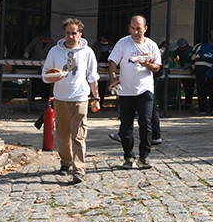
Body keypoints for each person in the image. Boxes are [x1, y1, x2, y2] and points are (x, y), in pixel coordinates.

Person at [42, 18, 100, 184]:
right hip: (60, 98)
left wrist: (96, 98)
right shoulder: (55, 51)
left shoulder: (87, 51)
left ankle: (79, 169)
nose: (71, 36)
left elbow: (92, 77)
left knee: (79, 135)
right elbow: (46, 75)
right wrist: (53, 77)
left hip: (80, 98)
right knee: (63, 135)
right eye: (68, 33)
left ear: (80, 34)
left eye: (74, 33)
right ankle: (65, 162)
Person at [109, 15, 162, 169]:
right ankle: (128, 156)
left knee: (146, 121)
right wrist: (113, 78)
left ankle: (144, 156)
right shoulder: (123, 43)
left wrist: (147, 64)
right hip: (126, 89)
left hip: (145, 88)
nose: (135, 32)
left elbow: (157, 67)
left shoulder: (151, 45)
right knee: (126, 124)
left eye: (138, 28)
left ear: (145, 28)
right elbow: (113, 62)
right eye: (132, 28)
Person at [193, 30, 213, 115]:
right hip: (211, 68)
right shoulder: (212, 47)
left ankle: (202, 109)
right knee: (212, 88)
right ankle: (212, 108)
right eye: (211, 36)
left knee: (201, 88)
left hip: (199, 68)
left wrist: (194, 69)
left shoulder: (199, 46)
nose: (212, 38)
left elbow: (193, 58)